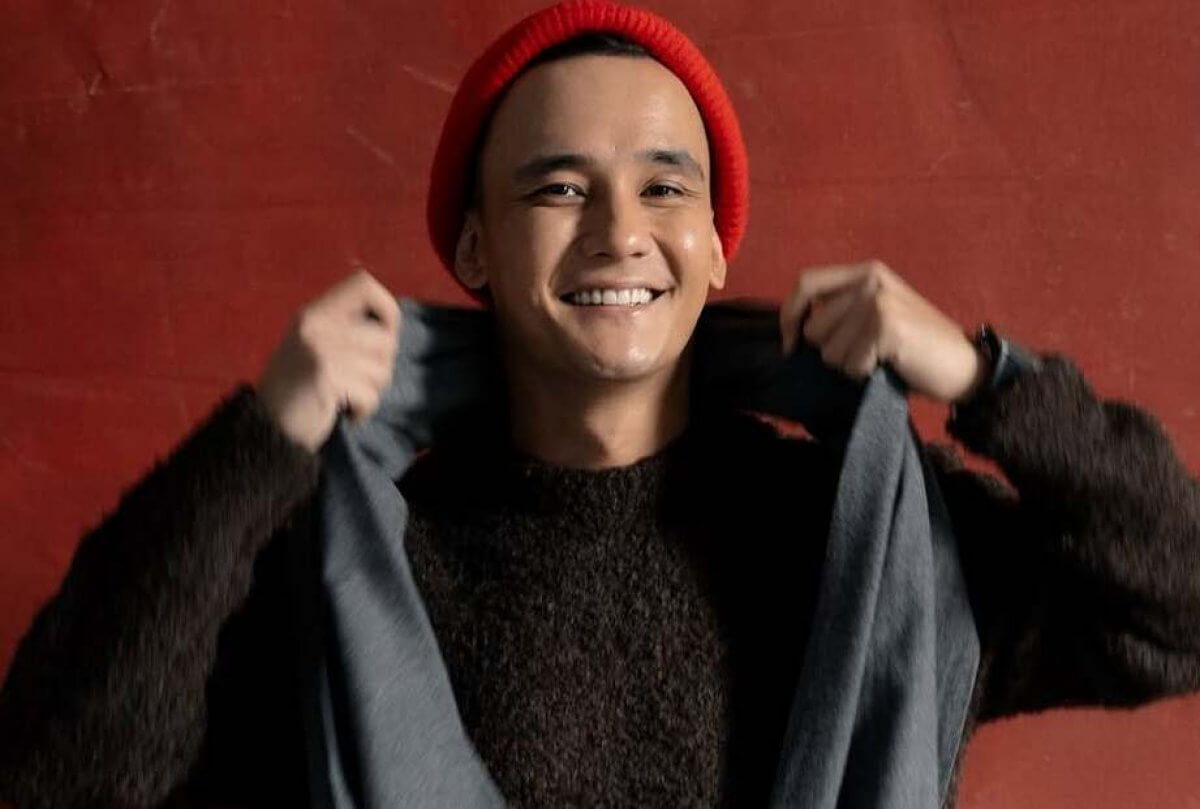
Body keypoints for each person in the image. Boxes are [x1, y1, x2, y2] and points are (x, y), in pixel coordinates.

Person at [2, 1, 1199, 808]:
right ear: (475, 245)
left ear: (716, 245)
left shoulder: (871, 534)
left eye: (664, 187)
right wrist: (262, 440)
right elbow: (58, 773)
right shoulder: (353, 564)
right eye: (559, 188)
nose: (621, 231)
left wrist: (992, 381)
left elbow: (1178, 608)